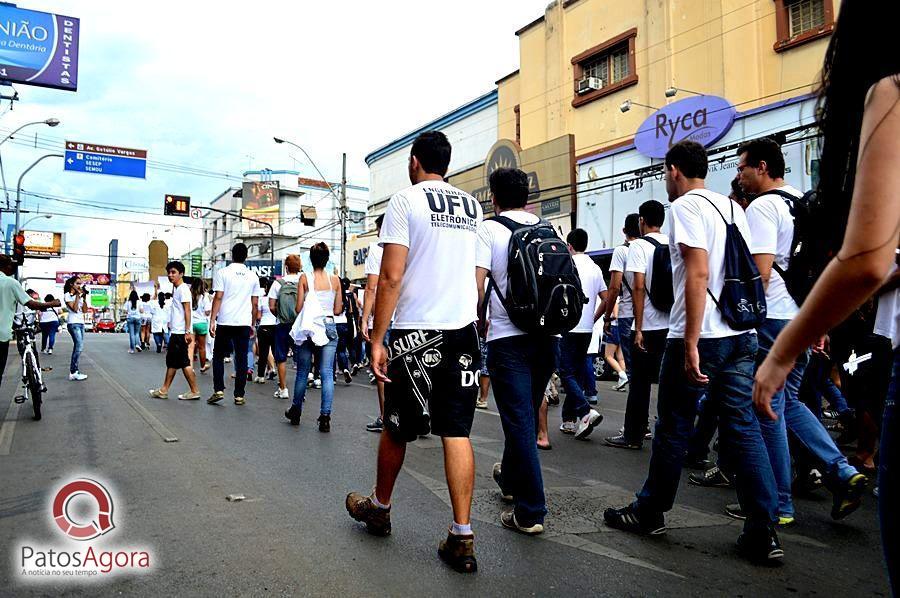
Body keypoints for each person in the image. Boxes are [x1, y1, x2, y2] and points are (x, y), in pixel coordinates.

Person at [754, 6, 899, 588]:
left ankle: (790, 495)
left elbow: (867, 259)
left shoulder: (891, 91)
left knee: (776, 403)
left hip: (780, 320)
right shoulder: (794, 203)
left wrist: (783, 348)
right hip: (820, 317)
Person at [604, 140, 782, 564]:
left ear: (674, 170)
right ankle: (763, 531)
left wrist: (689, 340)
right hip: (741, 333)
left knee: (672, 426)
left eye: (666, 173)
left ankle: (650, 512)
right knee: (742, 426)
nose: (666, 180)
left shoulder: (685, 208)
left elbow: (698, 270)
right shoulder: (731, 207)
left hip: (702, 335)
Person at [346, 131, 483, 573]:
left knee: (397, 427)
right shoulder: (472, 206)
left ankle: (380, 508)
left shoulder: (405, 202)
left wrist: (377, 338)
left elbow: (390, 276)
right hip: (462, 331)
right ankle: (462, 535)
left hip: (415, 334)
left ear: (414, 161)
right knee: (456, 431)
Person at [735, 137, 866, 524]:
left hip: (773, 318)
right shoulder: (802, 202)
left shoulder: (763, 207)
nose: (739, 175)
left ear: (761, 167)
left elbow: (759, 273)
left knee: (768, 407)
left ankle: (779, 504)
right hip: (803, 314)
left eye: (743, 167)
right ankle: (841, 471)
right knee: (791, 402)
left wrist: (741, 318)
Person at [475, 166, 565, 537]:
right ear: (527, 196)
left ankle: (530, 511)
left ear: (493, 197)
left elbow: (476, 284)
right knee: (524, 413)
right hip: (549, 336)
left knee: (519, 421)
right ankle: (511, 479)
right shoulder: (547, 228)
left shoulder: (488, 229)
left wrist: (472, 325)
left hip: (507, 339)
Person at [605, 200, 669, 450]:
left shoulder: (637, 246)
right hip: (672, 325)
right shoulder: (670, 242)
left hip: (648, 324)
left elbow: (639, 286)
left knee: (640, 383)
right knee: (669, 382)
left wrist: (639, 328)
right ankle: (668, 433)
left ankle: (634, 434)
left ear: (642, 221)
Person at [283, 243, 342, 431]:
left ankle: (296, 411)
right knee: (326, 373)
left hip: (309, 327)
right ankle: (325, 417)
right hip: (329, 326)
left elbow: (299, 308)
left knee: (302, 371)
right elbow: (337, 309)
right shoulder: (335, 280)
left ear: (310, 259)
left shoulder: (304, 278)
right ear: (327, 259)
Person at [557, 228, 607, 437]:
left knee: (565, 372)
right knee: (575, 373)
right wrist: (594, 318)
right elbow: (606, 297)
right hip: (586, 328)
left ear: (569, 245)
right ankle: (569, 420)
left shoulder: (566, 264)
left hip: (567, 326)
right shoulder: (595, 268)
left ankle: (585, 411)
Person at [208, 243, 260, 406]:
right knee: (242, 356)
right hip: (244, 322)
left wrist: (212, 319)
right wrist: (252, 323)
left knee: (218, 356)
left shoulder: (223, 272)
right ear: (246, 257)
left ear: (232, 255)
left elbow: (218, 297)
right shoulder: (253, 276)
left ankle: (218, 390)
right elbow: (255, 303)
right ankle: (239, 395)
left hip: (224, 321)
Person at [0, 256, 59, 387]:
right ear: (6, 267)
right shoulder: (10, 283)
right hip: (1, 335)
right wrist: (53, 303)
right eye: (11, 265)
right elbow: (32, 304)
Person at [148, 261, 201, 400]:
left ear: (181, 274)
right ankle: (164, 390)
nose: (170, 275)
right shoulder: (177, 289)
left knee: (183, 362)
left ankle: (194, 390)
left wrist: (188, 331)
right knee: (172, 361)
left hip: (180, 333)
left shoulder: (183, 289)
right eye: (169, 273)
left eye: (173, 272)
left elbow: (187, 310)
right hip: (176, 332)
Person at [603, 213, 641, 390]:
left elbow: (614, 288)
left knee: (634, 367)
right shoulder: (651, 247)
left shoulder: (622, 251)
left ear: (624, 230)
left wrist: (607, 316)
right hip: (651, 314)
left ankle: (636, 415)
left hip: (628, 314)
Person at [361, 214, 388, 432]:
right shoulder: (411, 245)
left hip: (383, 317)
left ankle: (385, 415)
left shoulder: (378, 249)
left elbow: (371, 288)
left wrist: (364, 320)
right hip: (409, 316)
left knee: (381, 367)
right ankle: (418, 411)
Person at [268, 254, 302, 399]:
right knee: (301, 358)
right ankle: (301, 392)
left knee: (281, 357)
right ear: (299, 267)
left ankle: (283, 389)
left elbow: (271, 306)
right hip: (299, 325)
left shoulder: (278, 283)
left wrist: (280, 315)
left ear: (286, 267)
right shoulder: (303, 282)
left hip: (282, 324)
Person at [63, 276, 88, 381]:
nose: (79, 286)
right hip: (73, 323)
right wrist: (77, 295)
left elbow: (85, 310)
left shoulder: (80, 296)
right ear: (71, 284)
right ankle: (73, 372)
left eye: (80, 284)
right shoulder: (67, 295)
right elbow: (74, 309)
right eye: (77, 283)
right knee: (79, 347)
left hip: (81, 323)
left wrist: (84, 297)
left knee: (78, 347)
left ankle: (74, 371)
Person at [254, 276, 277, 383]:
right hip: (276, 327)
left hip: (264, 327)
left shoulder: (262, 299)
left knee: (263, 353)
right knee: (277, 352)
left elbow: (258, 316)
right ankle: (279, 377)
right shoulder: (278, 300)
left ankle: (260, 376)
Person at [333, 277, 353, 385]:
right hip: (344, 323)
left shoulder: (334, 295)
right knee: (341, 350)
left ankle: (333, 376)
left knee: (332, 351)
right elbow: (350, 311)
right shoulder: (346, 297)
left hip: (334, 323)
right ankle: (345, 368)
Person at [191, 278, 212, 372]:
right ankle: (203, 366)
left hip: (191, 323)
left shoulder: (189, 295)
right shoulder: (205, 297)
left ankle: (190, 367)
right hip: (202, 323)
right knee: (202, 347)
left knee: (190, 347)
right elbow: (207, 312)